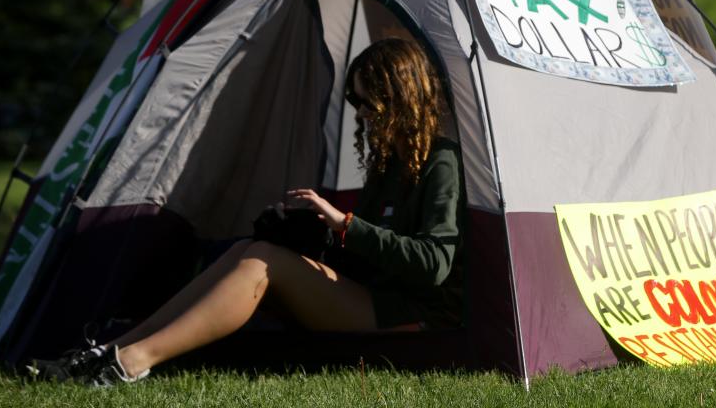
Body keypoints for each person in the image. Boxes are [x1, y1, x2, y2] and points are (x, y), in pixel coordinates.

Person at [29, 37, 465, 385]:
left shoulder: (439, 162)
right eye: (356, 102)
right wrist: (315, 232)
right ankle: (114, 349)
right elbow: (365, 251)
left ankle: (130, 363)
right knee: (251, 248)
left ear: (402, 101)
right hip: (371, 295)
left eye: (370, 104)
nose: (363, 115)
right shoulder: (389, 162)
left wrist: (346, 223)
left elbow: (435, 265)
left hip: (409, 312)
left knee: (263, 262)